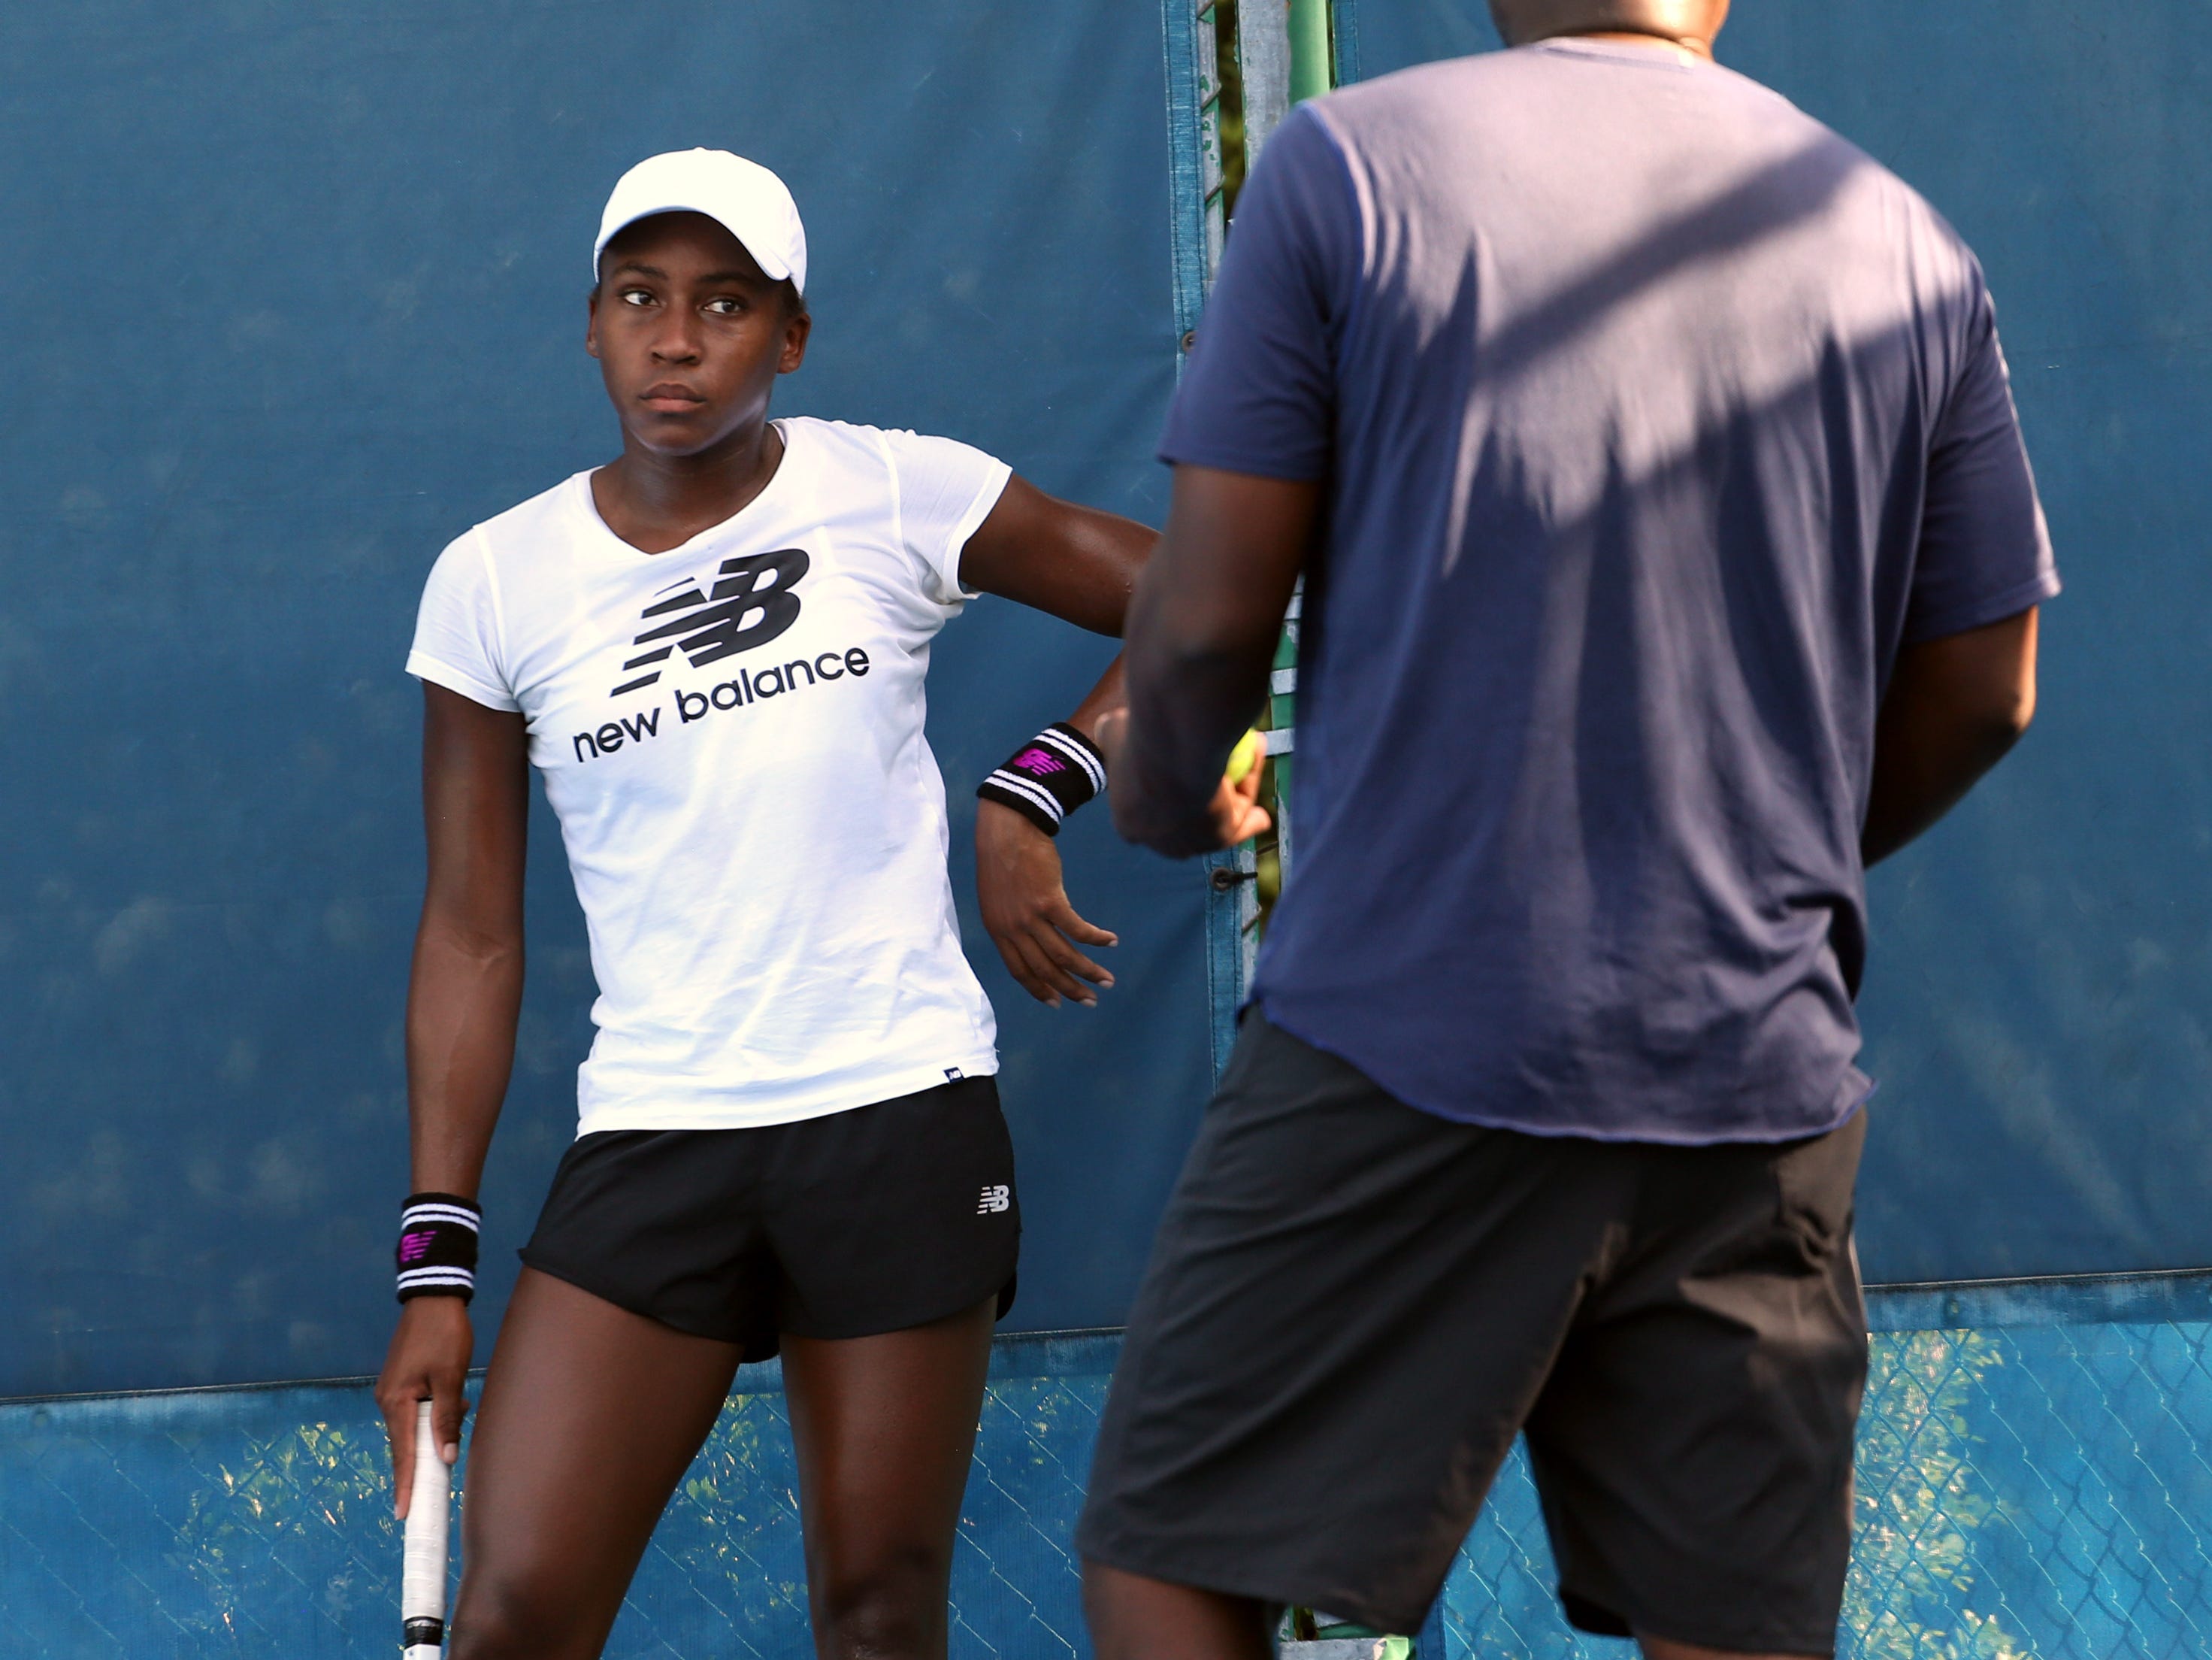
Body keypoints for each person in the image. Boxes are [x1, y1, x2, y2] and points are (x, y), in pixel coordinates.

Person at [1079, 3, 2055, 1658]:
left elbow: (1197, 628)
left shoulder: (1347, 168)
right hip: (1753, 1071)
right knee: (1733, 1624)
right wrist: (1758, 867)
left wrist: (1169, 796)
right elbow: (1986, 690)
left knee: (1172, 1552)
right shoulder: (1899, 238)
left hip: (1408, 1029)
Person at [374, 147, 1161, 1660]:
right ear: (591, 322)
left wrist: (1033, 788)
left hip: (894, 1110)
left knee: (874, 1615)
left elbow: (1201, 590)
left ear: (788, 336)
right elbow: (471, 932)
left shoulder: (890, 486)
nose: (675, 340)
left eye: (724, 304)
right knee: (518, 1611)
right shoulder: (493, 581)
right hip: (658, 1134)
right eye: (639, 298)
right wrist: (435, 1266)